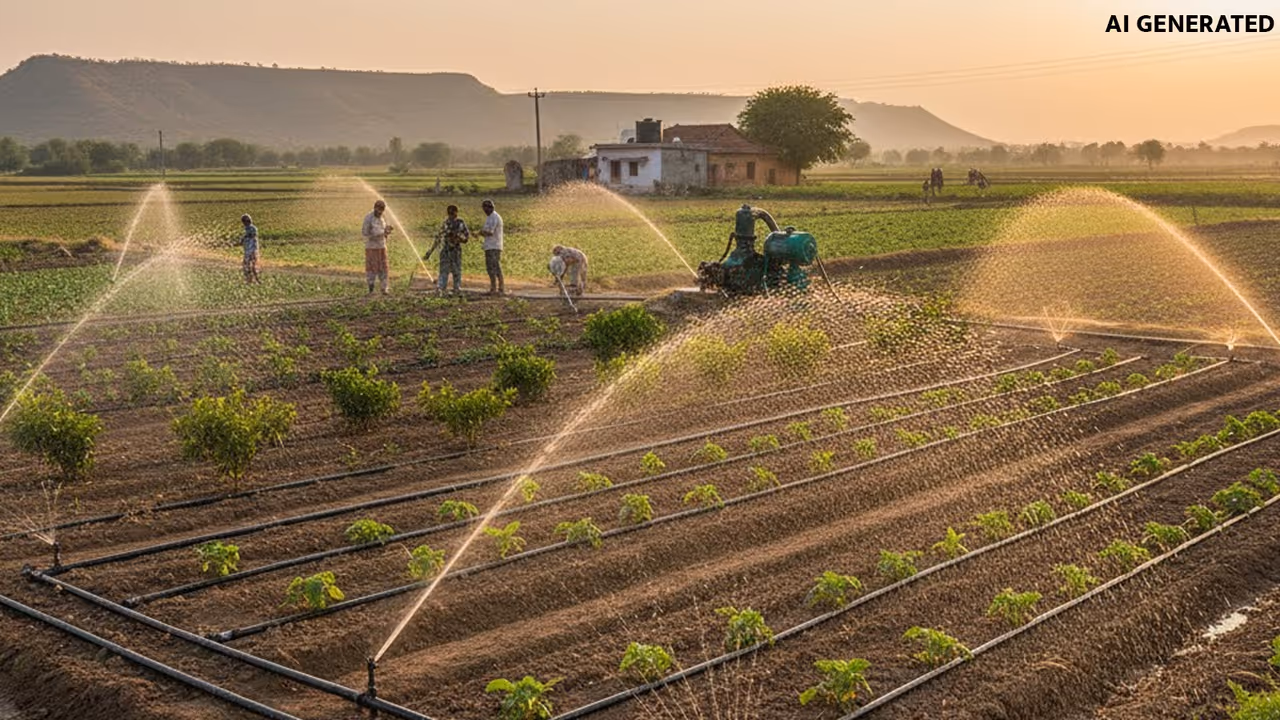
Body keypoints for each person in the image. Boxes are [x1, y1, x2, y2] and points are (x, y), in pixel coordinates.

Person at [429, 204, 469, 295]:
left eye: (452, 213)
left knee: (456, 270)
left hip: (455, 250)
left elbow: (466, 238)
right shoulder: (446, 223)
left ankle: (456, 288)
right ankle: (441, 288)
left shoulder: (460, 223)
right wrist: (430, 251)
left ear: (456, 213)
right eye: (449, 213)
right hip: (446, 250)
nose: (451, 216)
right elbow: (438, 238)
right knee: (444, 270)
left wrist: (457, 238)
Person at [361, 199, 395, 294]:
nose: (380, 212)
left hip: (382, 246)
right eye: (378, 210)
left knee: (383, 268)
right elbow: (365, 232)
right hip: (371, 247)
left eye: (381, 210)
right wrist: (380, 233)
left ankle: (384, 288)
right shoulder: (368, 218)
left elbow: (384, 230)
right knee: (372, 268)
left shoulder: (383, 217)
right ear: (375, 208)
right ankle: (371, 288)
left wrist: (387, 231)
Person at [478, 198, 504, 295]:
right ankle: (493, 287)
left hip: (494, 246)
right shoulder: (489, 217)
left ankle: (499, 287)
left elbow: (490, 232)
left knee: (495, 266)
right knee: (490, 267)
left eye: (485, 208)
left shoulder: (494, 217)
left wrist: (481, 232)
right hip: (489, 246)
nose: (484, 211)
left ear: (489, 208)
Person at [238, 214, 260, 284]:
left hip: (252, 250)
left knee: (251, 266)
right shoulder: (245, 229)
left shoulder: (252, 228)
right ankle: (250, 280)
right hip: (248, 250)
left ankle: (254, 280)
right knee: (247, 266)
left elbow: (252, 235)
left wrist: (244, 238)